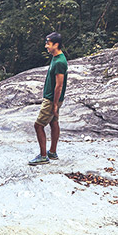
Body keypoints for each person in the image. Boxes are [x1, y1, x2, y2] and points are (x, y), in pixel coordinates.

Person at [29, 32, 68, 165]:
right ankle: (52, 152)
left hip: (52, 99)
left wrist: (55, 104)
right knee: (53, 122)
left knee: (38, 125)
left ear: (56, 45)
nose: (46, 46)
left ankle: (43, 156)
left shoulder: (60, 62)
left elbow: (59, 85)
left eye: (48, 44)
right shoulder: (56, 58)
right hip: (53, 99)